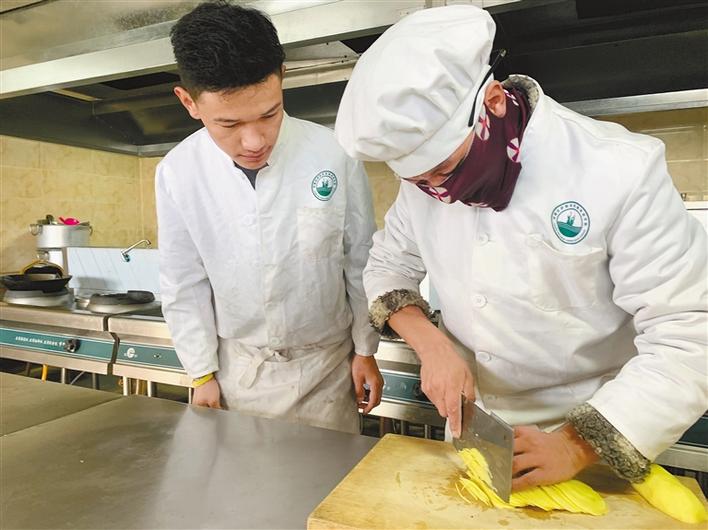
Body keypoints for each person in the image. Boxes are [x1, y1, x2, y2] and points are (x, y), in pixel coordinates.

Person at [334, 5, 707, 488]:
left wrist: (576, 445)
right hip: (475, 424)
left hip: (594, 431)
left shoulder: (620, 170)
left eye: (444, 170)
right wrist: (430, 343)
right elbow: (388, 264)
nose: (437, 191)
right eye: (419, 181)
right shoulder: (426, 183)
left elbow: (688, 333)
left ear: (492, 102)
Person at [156, 0, 382, 433]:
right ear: (189, 102)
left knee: (330, 475)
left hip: (328, 371)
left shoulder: (333, 152)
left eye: (269, 114)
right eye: (228, 124)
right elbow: (183, 280)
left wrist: (365, 349)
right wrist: (201, 373)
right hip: (237, 374)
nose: (254, 141)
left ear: (282, 78)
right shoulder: (178, 172)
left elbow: (360, 259)